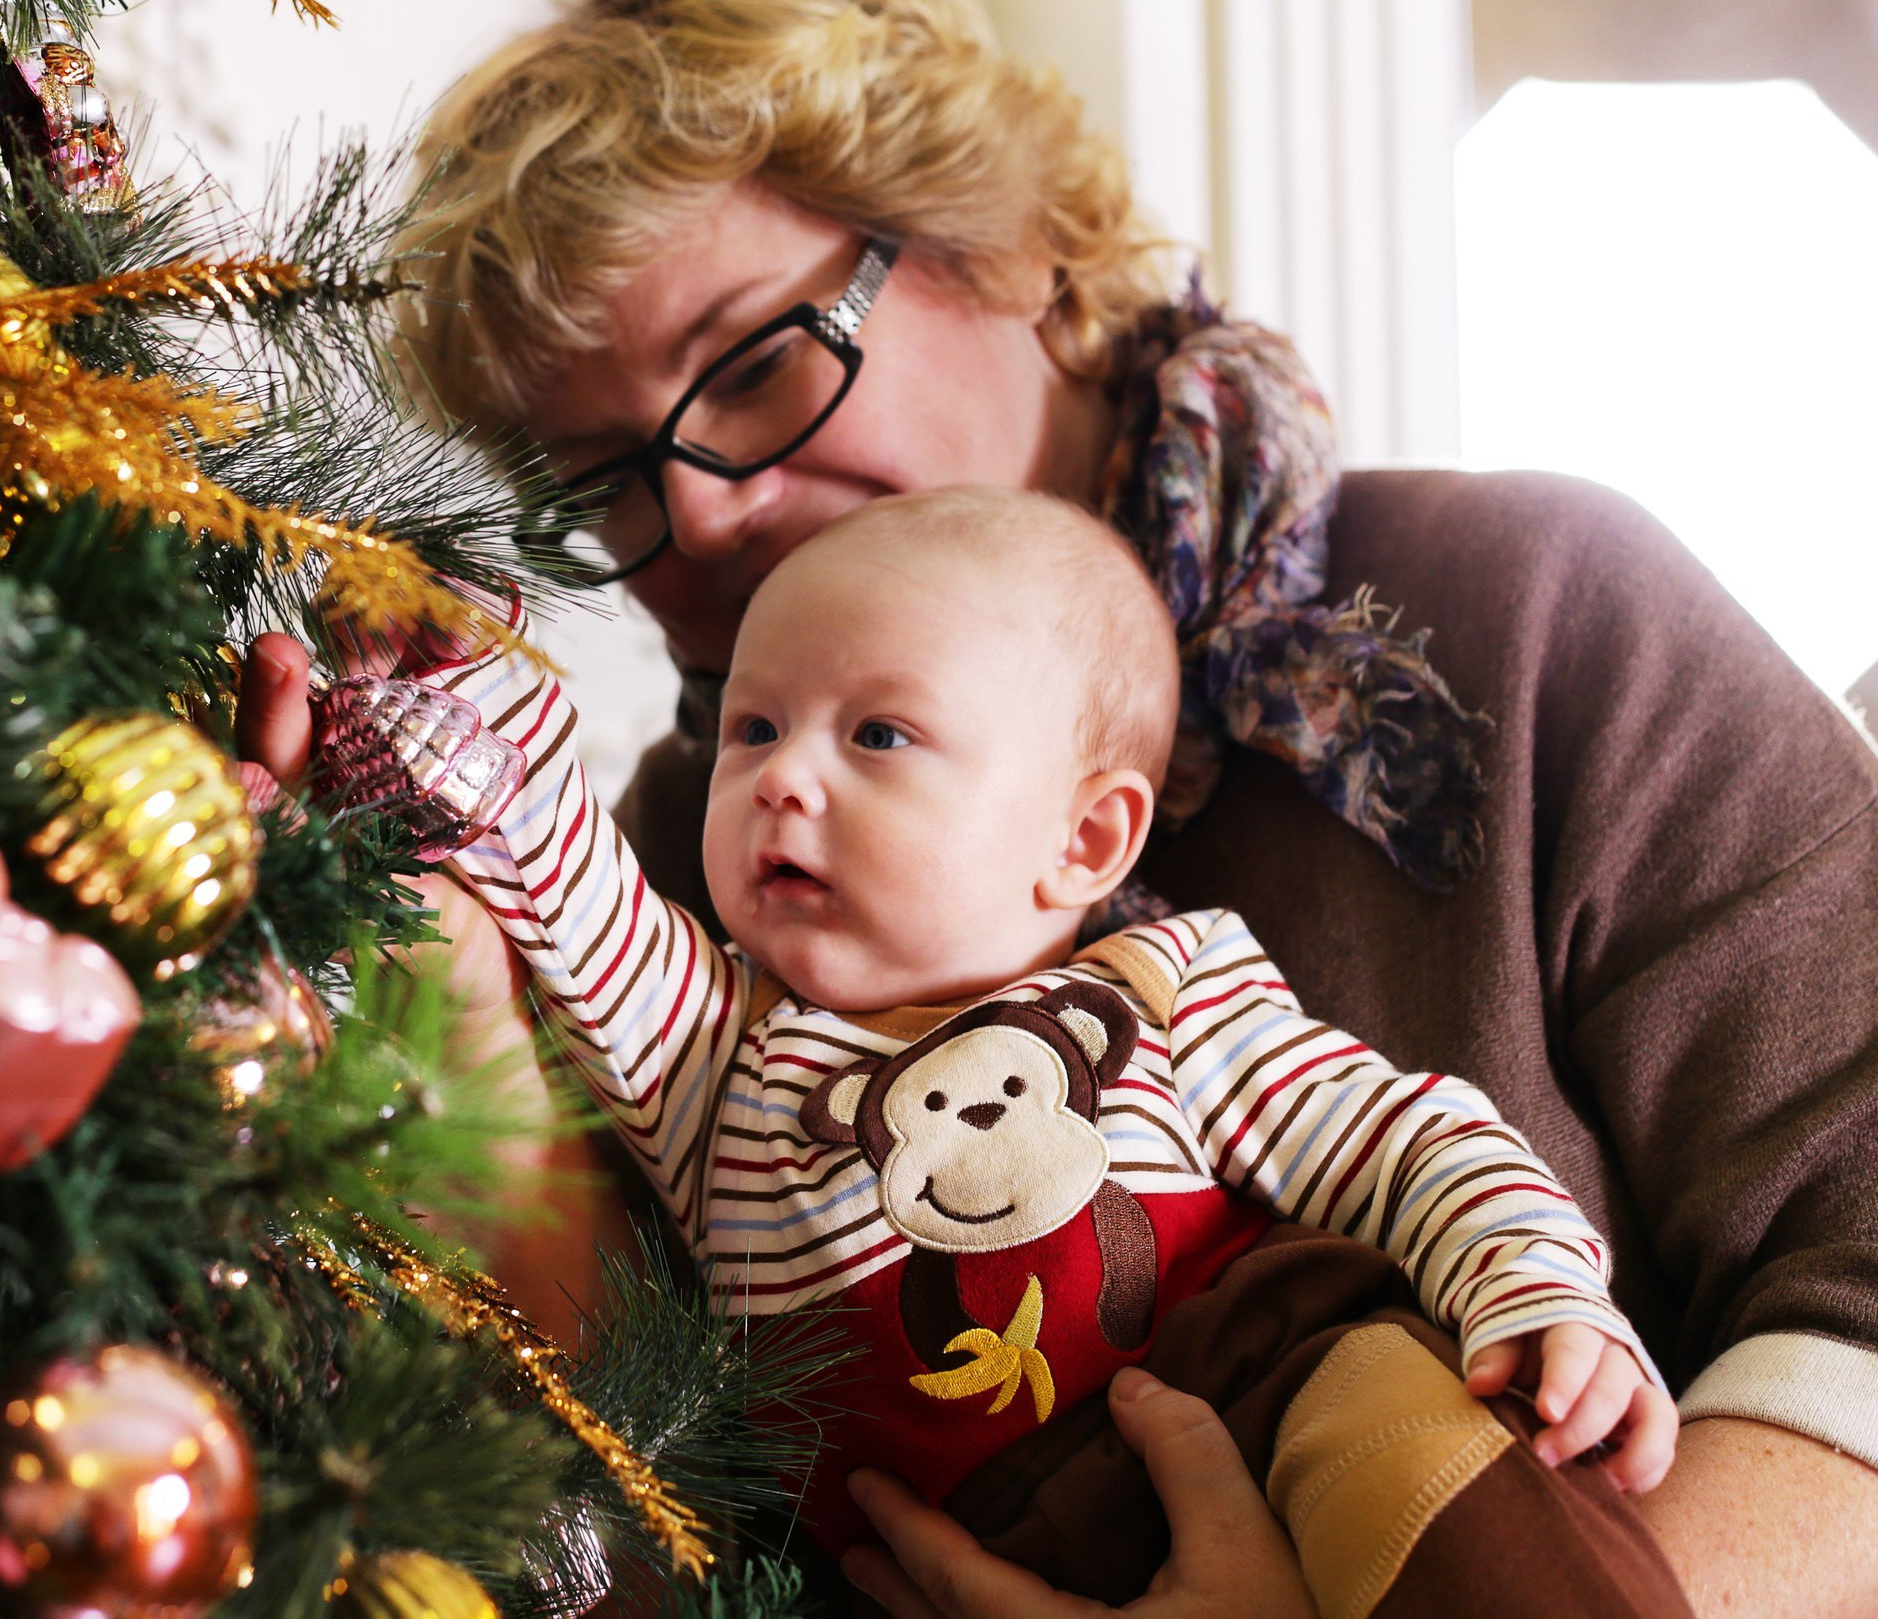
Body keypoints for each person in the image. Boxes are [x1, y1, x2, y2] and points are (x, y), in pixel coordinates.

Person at [242, 0, 1878, 1614]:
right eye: (607, 476)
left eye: (756, 366)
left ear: (1000, 246)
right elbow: (663, 1520)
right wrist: (438, 1001)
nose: (708, 509)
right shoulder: (682, 863)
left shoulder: (1524, 610)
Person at [252, 486, 1685, 1615]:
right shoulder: (713, 1063)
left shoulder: (1160, 990)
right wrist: (440, 698)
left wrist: (1531, 1283)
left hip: (1270, 1387)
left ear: (1084, 839)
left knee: (1435, 1483)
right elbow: (559, 866)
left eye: (878, 734)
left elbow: (1398, 1135)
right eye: (752, 728)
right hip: (929, 1567)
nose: (783, 777)